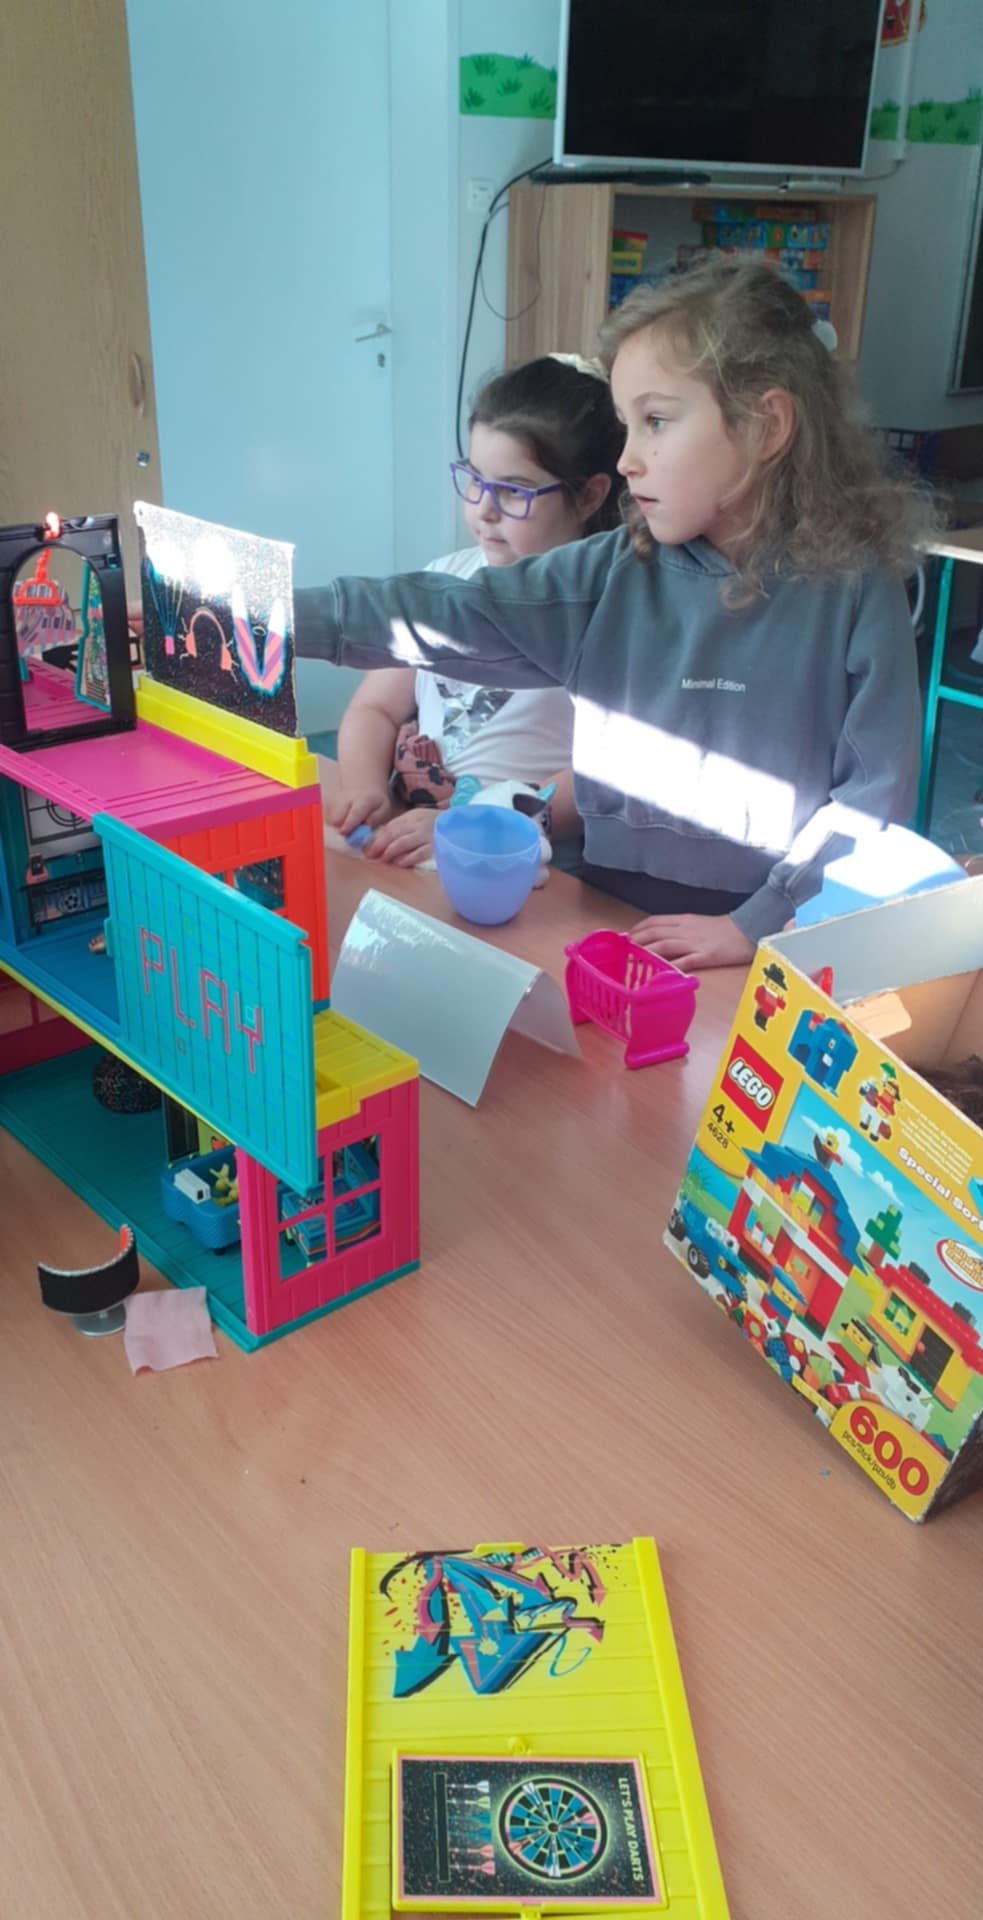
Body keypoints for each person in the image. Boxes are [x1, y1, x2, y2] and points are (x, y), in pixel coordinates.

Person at [298, 256, 936, 967]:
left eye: (655, 421)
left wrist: (753, 925)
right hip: (604, 905)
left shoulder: (854, 589)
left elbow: (873, 796)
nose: (629, 460)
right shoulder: (613, 570)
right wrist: (273, 615)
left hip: (770, 933)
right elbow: (445, 612)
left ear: (766, 425)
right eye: (626, 427)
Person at [325, 354, 624, 867]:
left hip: (520, 862)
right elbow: (375, 707)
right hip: (414, 839)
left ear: (590, 496)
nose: (484, 509)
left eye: (514, 491)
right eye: (475, 479)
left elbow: (606, 778)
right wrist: (365, 786)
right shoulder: (446, 578)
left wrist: (476, 823)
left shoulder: (608, 614)